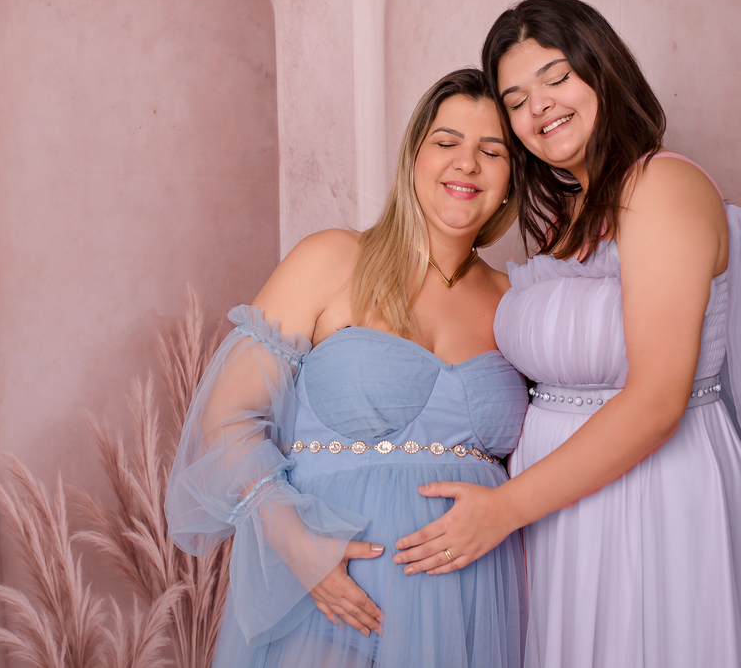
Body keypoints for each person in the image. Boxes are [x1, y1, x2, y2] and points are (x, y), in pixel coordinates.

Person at [393, 0, 741, 667]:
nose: (539, 106)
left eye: (556, 77)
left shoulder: (662, 186)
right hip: (557, 511)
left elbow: (658, 399)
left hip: (653, 500)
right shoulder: (567, 222)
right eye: (516, 100)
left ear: (601, 70)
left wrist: (504, 509)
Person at [165, 68, 527, 668]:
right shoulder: (331, 259)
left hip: (474, 599)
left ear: (512, 178)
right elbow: (227, 418)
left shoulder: (517, 303)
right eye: (447, 142)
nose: (467, 163)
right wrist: (299, 548)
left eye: (492, 151)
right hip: (334, 595)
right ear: (413, 157)